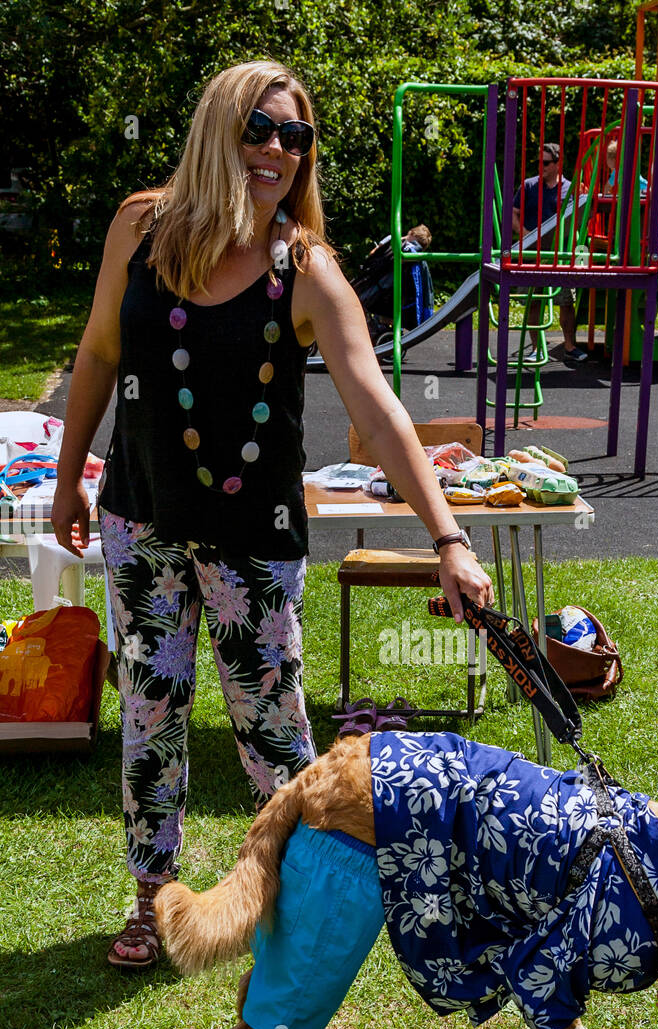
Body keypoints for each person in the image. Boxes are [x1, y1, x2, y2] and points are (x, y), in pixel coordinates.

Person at [51, 59, 493, 969]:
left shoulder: (307, 267)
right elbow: (97, 354)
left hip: (252, 541)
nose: (280, 150)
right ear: (220, 126)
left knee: (272, 734)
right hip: (141, 523)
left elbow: (377, 408)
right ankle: (153, 897)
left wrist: (447, 535)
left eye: (298, 136)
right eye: (262, 127)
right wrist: (69, 478)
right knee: (150, 714)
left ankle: (289, 902)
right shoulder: (140, 228)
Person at [511, 143, 584, 368]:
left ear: (558, 164)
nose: (541, 167)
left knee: (566, 301)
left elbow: (578, 219)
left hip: (559, 253)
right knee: (533, 301)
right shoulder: (529, 186)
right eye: (539, 163)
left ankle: (569, 346)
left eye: (546, 163)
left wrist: (585, 200)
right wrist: (527, 235)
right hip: (533, 253)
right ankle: (535, 348)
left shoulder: (570, 189)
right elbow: (513, 214)